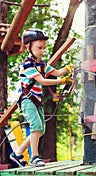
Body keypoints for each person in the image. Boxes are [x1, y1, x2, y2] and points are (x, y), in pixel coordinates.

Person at [9, 28, 74, 167]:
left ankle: (18, 153)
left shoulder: (42, 64)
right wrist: (62, 81)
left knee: (40, 130)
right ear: (28, 46)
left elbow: (56, 72)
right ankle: (35, 157)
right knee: (36, 127)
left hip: (36, 100)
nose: (42, 51)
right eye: (39, 47)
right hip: (27, 99)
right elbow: (43, 81)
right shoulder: (28, 64)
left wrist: (67, 69)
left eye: (44, 47)